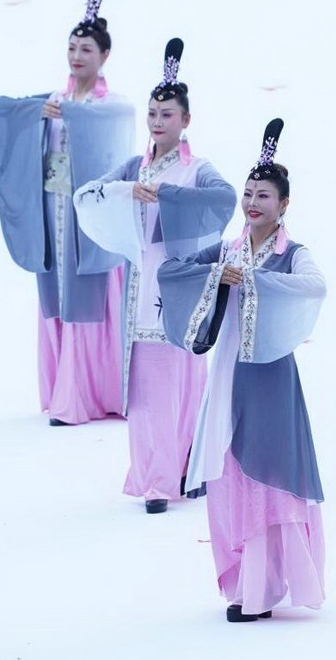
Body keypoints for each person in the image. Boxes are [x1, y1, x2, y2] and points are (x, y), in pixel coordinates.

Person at [157, 119, 328, 622]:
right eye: (249, 193)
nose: (252, 202)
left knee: (268, 475)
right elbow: (173, 269)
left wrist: (252, 282)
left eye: (264, 195)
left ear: (284, 204)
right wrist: (217, 275)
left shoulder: (293, 254)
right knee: (232, 472)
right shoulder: (228, 250)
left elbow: (314, 287)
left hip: (272, 379)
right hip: (229, 376)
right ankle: (245, 585)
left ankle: (265, 590)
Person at [73, 39, 235, 514]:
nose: (158, 122)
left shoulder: (198, 169)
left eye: (167, 114)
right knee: (148, 390)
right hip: (142, 289)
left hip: (182, 286)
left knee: (186, 382)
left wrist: (167, 197)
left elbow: (224, 201)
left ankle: (186, 470)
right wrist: (128, 191)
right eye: (152, 114)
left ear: (186, 120)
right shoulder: (135, 167)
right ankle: (154, 480)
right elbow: (88, 195)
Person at [0, 0, 134, 426]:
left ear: (104, 55)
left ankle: (88, 396)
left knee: (90, 294)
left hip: (88, 218)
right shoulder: (53, 100)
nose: (76, 56)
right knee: (56, 292)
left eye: (86, 49)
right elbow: (0, 109)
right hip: (53, 212)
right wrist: (36, 114)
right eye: (71, 47)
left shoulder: (112, 105)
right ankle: (62, 390)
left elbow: (118, 127)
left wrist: (73, 115)